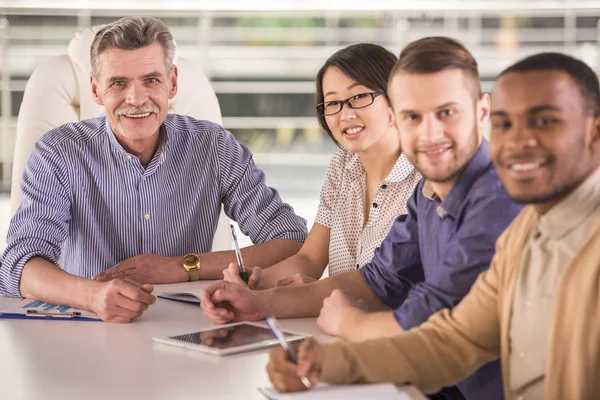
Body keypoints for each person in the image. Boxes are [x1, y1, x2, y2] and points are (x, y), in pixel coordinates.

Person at [202, 37, 524, 400]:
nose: (429, 132)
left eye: (446, 112)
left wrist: (348, 322)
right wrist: (258, 303)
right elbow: (377, 280)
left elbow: (428, 317)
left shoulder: (498, 197)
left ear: (483, 112)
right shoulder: (430, 189)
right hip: (425, 378)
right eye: (413, 116)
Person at [265, 51, 600, 400]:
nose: (518, 142)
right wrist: (323, 363)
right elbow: (456, 340)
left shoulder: (508, 209)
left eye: (545, 121)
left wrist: (346, 327)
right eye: (504, 124)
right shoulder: (523, 232)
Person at [0, 16, 307, 323]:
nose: (136, 99)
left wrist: (182, 266)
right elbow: (18, 267)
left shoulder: (214, 146)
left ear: (172, 83)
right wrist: (93, 296)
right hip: (89, 325)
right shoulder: (57, 152)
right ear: (95, 90)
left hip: (190, 325)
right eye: (118, 83)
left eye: (151, 80)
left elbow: (292, 240)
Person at [222, 43, 421, 290]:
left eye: (359, 97)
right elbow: (310, 259)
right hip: (332, 321)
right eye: (332, 103)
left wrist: (321, 291)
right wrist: (254, 282)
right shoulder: (342, 164)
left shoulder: (425, 179)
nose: (345, 115)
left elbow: (401, 287)